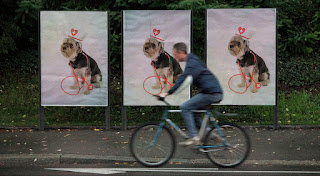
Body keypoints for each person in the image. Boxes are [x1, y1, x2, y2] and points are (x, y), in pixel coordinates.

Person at [159, 42, 223, 146]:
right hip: (211, 92)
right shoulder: (193, 61)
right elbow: (185, 80)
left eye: (175, 55)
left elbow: (183, 78)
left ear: (181, 52)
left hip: (211, 93)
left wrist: (168, 92)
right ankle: (210, 135)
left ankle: (194, 137)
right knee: (194, 114)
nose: (175, 58)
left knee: (185, 107)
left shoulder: (192, 63)